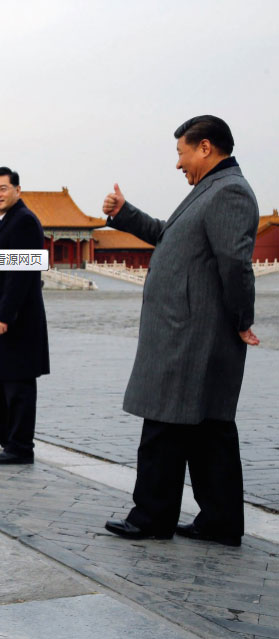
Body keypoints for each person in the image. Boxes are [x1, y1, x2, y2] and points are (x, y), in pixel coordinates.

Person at [103, 116, 259, 547]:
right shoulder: (209, 191)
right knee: (209, 430)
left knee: (165, 426)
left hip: (192, 335)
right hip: (190, 331)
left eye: (181, 152)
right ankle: (220, 522)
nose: (178, 163)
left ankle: (152, 517)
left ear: (205, 147)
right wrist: (126, 215)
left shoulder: (228, 192)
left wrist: (242, 319)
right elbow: (168, 239)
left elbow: (235, 264)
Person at [0, 167, 50, 464]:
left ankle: (20, 447)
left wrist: (5, 314)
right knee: (0, 377)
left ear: (17, 190)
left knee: (18, 381)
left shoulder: (24, 222)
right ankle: (1, 431)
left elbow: (21, 272)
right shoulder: (4, 220)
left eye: (3, 188)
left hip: (17, 318)